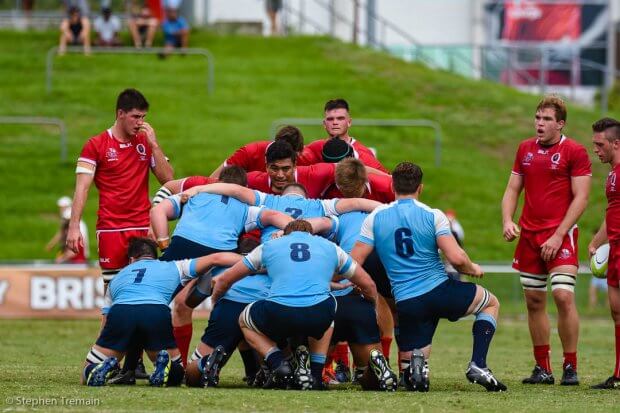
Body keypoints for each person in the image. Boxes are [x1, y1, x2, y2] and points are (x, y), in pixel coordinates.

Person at [351, 162, 506, 392]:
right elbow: (456, 257)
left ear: (392, 185)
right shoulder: (433, 215)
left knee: (411, 359)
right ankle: (478, 364)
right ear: (420, 188)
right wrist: (472, 268)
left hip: (407, 302)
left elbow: (355, 260)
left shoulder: (375, 217)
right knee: (490, 303)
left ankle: (414, 369)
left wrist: (344, 282)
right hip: (439, 291)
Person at [210, 220, 396, 391]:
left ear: (286, 234)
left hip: (278, 311)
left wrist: (216, 299)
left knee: (244, 319)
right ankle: (315, 374)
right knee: (329, 307)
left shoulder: (269, 246)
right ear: (311, 234)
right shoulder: (331, 247)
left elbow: (226, 279)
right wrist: (373, 305)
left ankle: (279, 364)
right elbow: (368, 284)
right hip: (319, 313)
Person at [150, 166, 293, 367]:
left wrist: (164, 244)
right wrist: (296, 230)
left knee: (150, 301)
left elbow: (157, 210)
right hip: (220, 254)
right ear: (244, 188)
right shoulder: (246, 207)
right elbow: (274, 216)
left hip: (183, 245)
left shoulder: (195, 193)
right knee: (235, 300)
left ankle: (144, 365)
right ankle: (254, 369)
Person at [501, 95, 591, 386]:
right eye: (538, 118)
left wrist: (558, 234)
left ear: (561, 123)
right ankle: (543, 368)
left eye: (547, 119)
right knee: (534, 300)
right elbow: (513, 188)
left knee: (563, 296)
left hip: (561, 235)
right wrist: (507, 220)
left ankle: (570, 365)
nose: (540, 123)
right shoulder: (524, 148)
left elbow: (582, 199)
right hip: (529, 235)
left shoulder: (575, 151)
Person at [81, 237, 227, 386]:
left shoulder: (117, 278)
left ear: (131, 260)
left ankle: (99, 368)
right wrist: (247, 261)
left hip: (121, 311)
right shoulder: (174, 266)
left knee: (87, 369)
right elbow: (216, 258)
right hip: (155, 312)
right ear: (154, 256)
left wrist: (102, 345)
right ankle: (166, 368)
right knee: (177, 373)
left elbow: (105, 322)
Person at [67, 88, 173, 287]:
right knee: (113, 292)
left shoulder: (145, 141)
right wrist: (74, 227)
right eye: (135, 116)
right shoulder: (96, 145)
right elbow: (82, 189)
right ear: (120, 114)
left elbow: (168, 179)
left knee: (146, 288)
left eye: (143, 117)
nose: (140, 122)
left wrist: (155, 146)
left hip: (143, 226)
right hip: (111, 229)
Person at [587, 117, 620, 389]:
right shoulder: (612, 175)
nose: (595, 150)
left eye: (599, 145)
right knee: (616, 311)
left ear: (616, 143)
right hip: (615, 251)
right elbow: (612, 215)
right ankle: (619, 375)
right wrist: (597, 242)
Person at [300, 99, 389, 173]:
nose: (335, 122)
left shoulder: (362, 153)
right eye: (330, 119)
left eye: (340, 118)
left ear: (349, 122)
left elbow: (388, 180)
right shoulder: (316, 147)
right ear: (324, 124)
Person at [209, 125, 305, 178]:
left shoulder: (307, 161)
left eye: (286, 167)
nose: (280, 175)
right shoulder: (249, 153)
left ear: (300, 154)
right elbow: (214, 179)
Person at [46, 196, 89, 264]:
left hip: (77, 256)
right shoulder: (74, 215)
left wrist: (52, 244)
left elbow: (61, 232)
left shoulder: (68, 214)